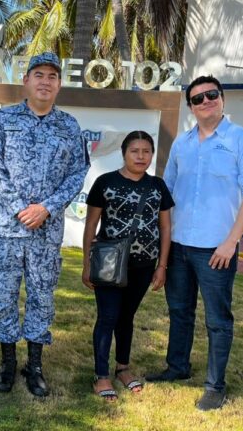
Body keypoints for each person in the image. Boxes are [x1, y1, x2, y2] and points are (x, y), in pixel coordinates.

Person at [146, 75, 243, 411]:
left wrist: (231, 242)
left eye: (211, 95)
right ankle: (178, 367)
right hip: (180, 244)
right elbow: (165, 193)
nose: (205, 101)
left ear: (222, 98)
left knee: (217, 319)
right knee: (179, 311)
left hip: (218, 248)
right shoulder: (182, 144)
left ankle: (215, 386)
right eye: (198, 99)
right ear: (190, 107)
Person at [0, 52, 90, 397]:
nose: (45, 81)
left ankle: (35, 365)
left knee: (42, 296)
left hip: (46, 231)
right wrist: (18, 208)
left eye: (52, 76)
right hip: (6, 229)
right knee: (3, 295)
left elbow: (77, 173)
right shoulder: (2, 120)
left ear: (59, 85)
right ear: (26, 81)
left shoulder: (69, 127)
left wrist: (47, 207)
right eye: (38, 74)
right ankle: (8, 362)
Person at [82, 131, 172, 402]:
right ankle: (101, 375)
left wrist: (162, 266)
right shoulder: (105, 182)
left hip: (144, 266)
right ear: (124, 153)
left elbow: (165, 227)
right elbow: (90, 226)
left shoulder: (158, 186)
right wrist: (87, 263)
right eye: (135, 151)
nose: (141, 156)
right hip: (109, 265)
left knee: (126, 317)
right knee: (108, 317)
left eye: (146, 151)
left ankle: (122, 367)